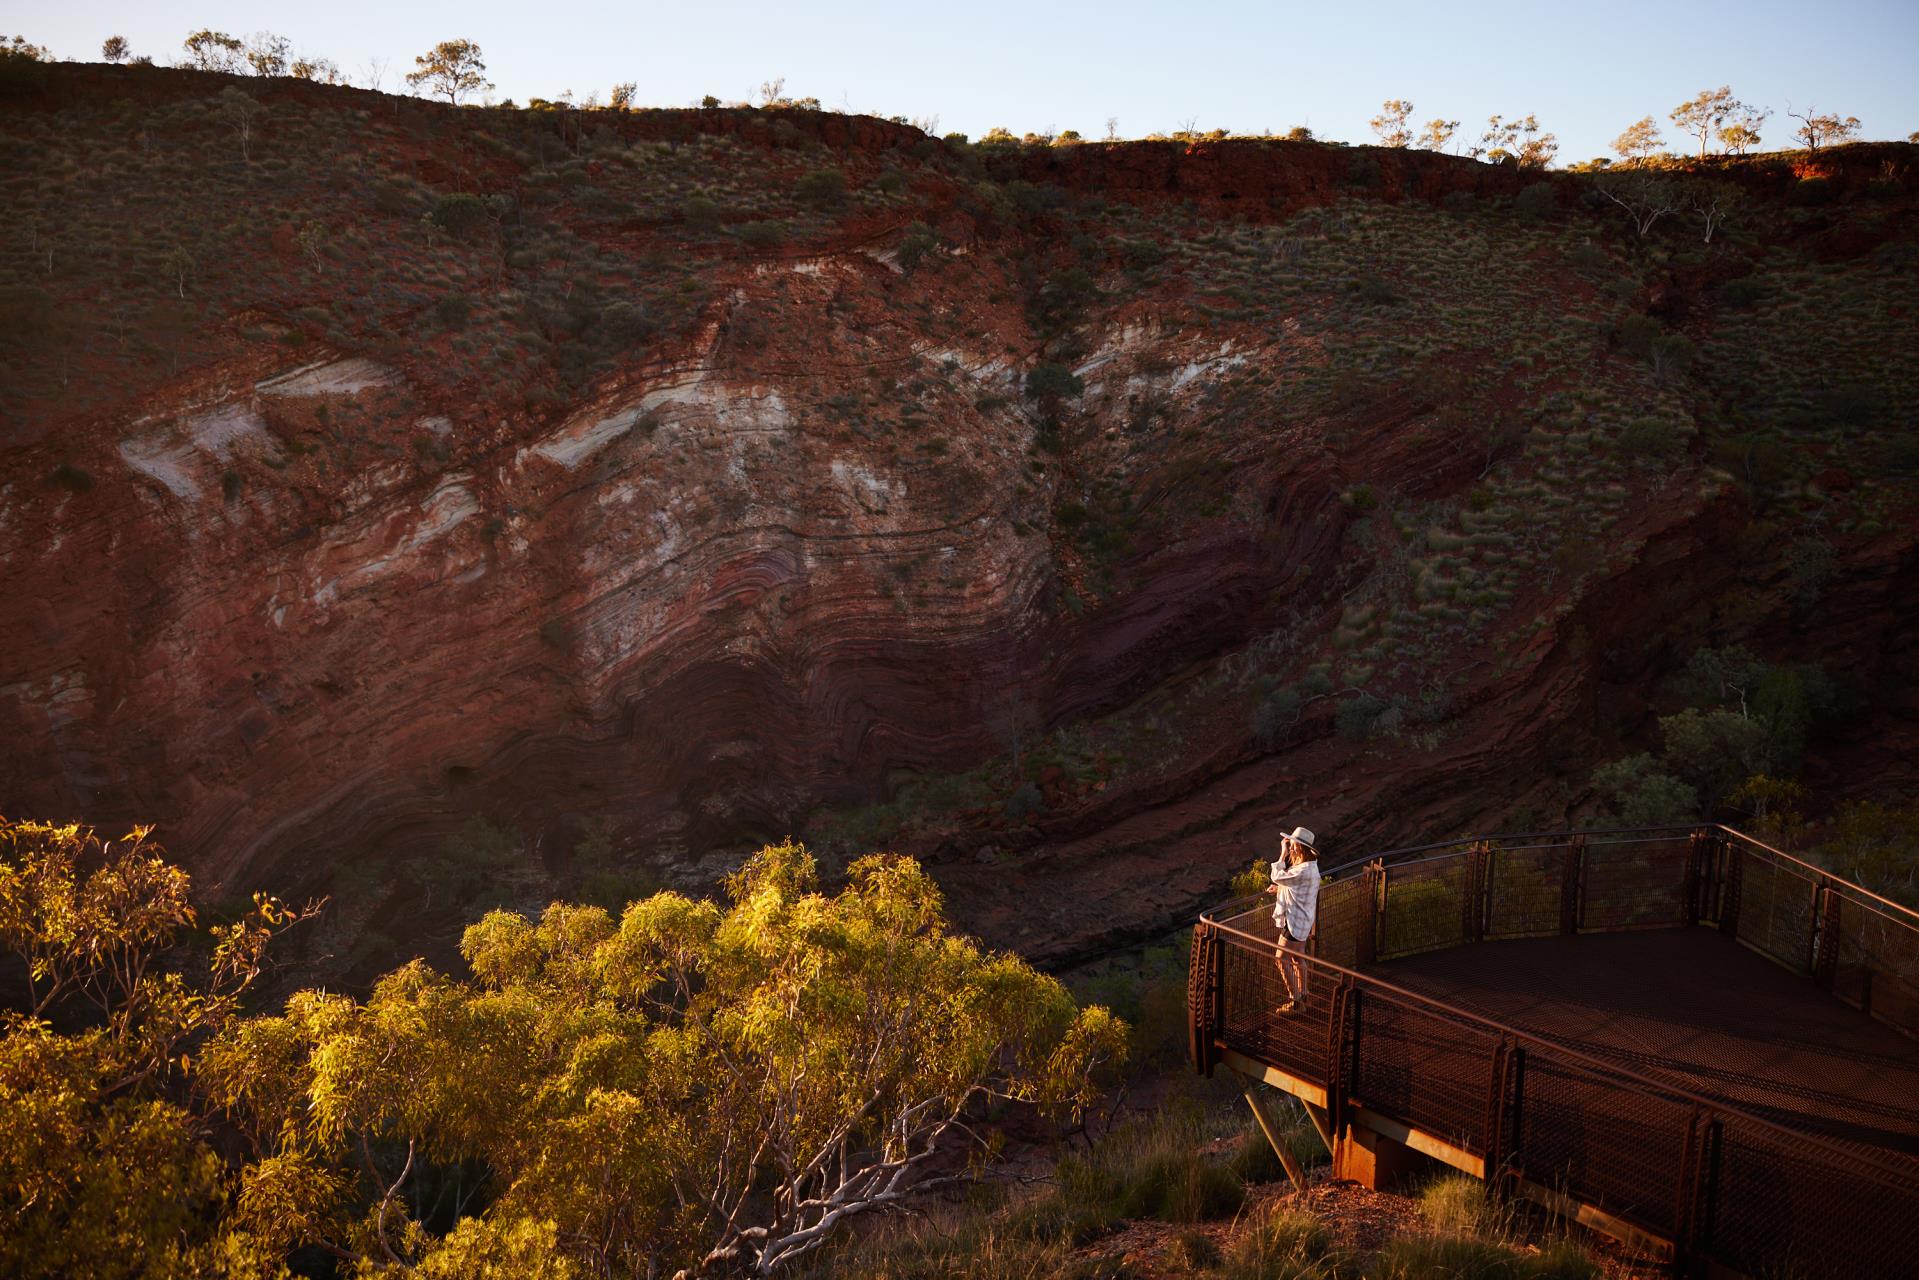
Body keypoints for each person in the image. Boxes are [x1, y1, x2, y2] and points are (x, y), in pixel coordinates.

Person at [1261, 826, 1321, 1014]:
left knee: (1280, 958)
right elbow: (1299, 890)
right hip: (1304, 920)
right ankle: (1304, 995)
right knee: (1297, 957)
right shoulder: (1311, 867)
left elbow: (1276, 875)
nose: (1292, 849)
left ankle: (1295, 1002)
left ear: (1302, 849)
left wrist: (1282, 852)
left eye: (1294, 846)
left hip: (1295, 921)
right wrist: (1280, 890)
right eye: (1291, 846)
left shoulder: (1302, 869)